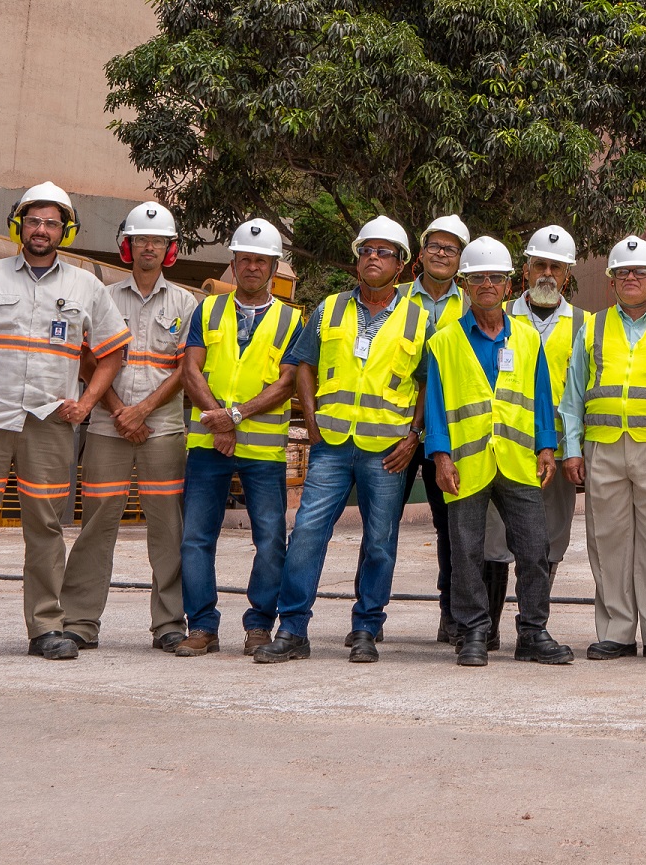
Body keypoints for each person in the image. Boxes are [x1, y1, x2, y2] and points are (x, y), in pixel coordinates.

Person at [0, 182, 130, 663]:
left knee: (45, 527)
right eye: (34, 220)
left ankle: (45, 628)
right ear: (20, 224)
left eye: (51, 223)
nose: (41, 230)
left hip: (49, 426)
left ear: (66, 231)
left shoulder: (85, 287)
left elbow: (112, 353)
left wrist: (88, 403)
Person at [255, 215, 430, 664]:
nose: (372, 257)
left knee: (379, 540)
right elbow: (303, 366)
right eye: (366, 250)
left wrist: (415, 435)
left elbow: (428, 382)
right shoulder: (329, 309)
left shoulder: (419, 319)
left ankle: (367, 627)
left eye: (383, 252)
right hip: (331, 444)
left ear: (401, 265)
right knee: (308, 533)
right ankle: (292, 629)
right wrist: (311, 422)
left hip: (388, 451)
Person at [423, 236, 573, 666]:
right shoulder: (445, 340)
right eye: (477, 277)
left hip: (518, 460)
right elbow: (435, 402)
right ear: (466, 285)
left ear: (509, 285)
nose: (486, 284)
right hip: (465, 465)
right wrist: (440, 456)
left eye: (495, 277)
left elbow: (541, 396)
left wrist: (547, 445)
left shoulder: (527, 339)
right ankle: (472, 633)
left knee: (534, 550)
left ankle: (533, 633)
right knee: (466, 552)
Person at [62, 202, 200, 653]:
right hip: (107, 427)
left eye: (158, 241)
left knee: (168, 528)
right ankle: (80, 621)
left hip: (162, 432)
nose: (149, 247)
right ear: (128, 245)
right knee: (96, 524)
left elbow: (185, 370)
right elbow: (87, 360)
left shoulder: (185, 302)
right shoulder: (101, 296)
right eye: (142, 239)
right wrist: (122, 410)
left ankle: (169, 624)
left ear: (169, 249)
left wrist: (142, 412)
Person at [174, 219, 301, 657]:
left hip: (262, 451)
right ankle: (202, 626)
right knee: (195, 537)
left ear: (272, 267)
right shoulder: (207, 310)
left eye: (260, 260)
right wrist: (220, 422)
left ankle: (259, 625)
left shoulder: (293, 320)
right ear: (232, 263)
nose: (251, 267)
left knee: (270, 539)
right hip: (208, 446)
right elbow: (190, 370)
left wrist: (233, 417)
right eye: (244, 259)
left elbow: (287, 383)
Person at [561, 236, 646, 661]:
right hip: (603, 448)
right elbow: (573, 394)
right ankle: (615, 629)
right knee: (607, 539)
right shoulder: (592, 326)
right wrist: (572, 449)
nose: (632, 277)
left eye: (642, 271)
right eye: (623, 272)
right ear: (611, 281)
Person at [487, 225, 583, 620]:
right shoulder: (499, 316)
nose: (547, 273)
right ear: (525, 270)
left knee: (551, 536)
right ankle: (486, 626)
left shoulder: (583, 324)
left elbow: (582, 393)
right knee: (494, 536)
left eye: (556, 267)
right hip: (502, 447)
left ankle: (533, 623)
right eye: (540, 264)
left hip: (558, 451)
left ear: (567, 275)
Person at [406, 214, 471, 644]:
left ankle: (452, 613)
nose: (442, 254)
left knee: (450, 526)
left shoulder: (472, 304)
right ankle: (367, 619)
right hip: (395, 429)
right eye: (435, 246)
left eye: (451, 249)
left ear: (460, 259)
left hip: (445, 432)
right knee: (380, 526)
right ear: (422, 251)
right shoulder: (396, 300)